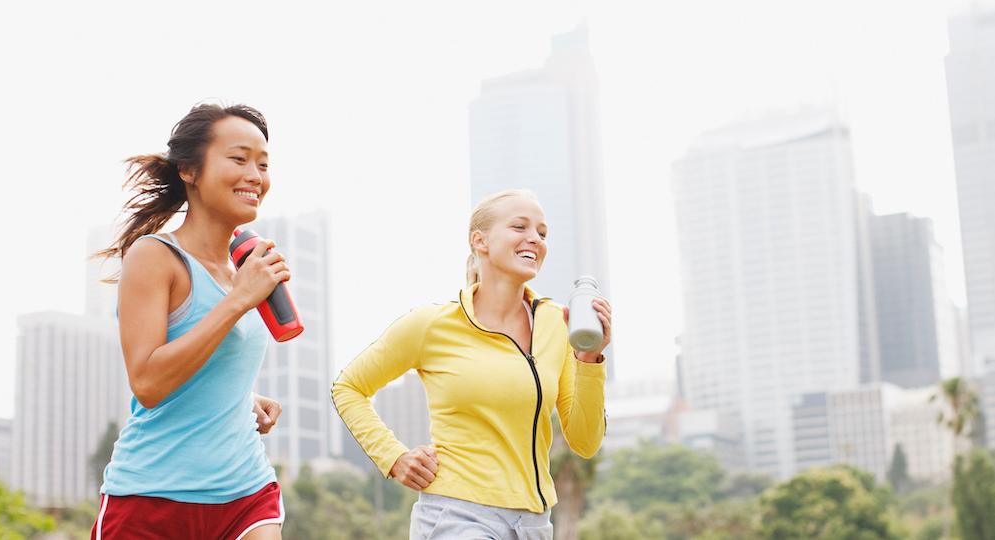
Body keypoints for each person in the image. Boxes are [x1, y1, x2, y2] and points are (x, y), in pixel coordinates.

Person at [332, 188, 612, 539]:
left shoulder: (558, 324)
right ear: (479, 241)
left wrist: (589, 360)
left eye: (542, 233)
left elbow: (585, 442)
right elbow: (349, 387)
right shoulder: (432, 325)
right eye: (520, 227)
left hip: (534, 524)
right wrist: (393, 457)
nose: (534, 239)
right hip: (457, 515)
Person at [92, 103, 290, 539]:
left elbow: (204, 353)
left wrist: (242, 395)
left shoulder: (246, 272)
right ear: (189, 170)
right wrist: (238, 301)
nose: (255, 176)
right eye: (238, 159)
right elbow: (148, 382)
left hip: (246, 492)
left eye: (263, 164)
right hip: (153, 498)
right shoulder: (155, 257)